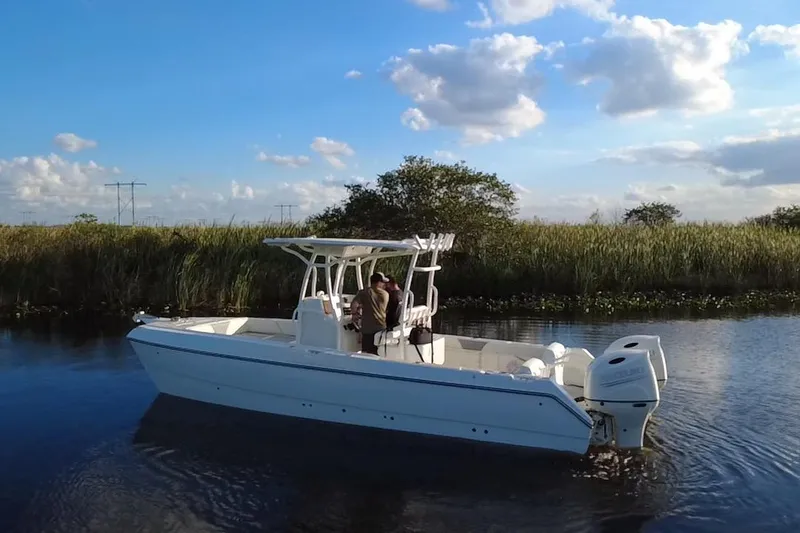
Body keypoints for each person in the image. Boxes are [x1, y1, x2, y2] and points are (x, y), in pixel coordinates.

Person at [350, 272, 389, 355]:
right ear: (378, 282)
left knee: (366, 354)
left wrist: (355, 315)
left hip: (368, 330)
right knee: (378, 353)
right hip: (381, 328)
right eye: (383, 282)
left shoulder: (364, 292)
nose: (384, 284)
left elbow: (354, 305)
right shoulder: (386, 294)